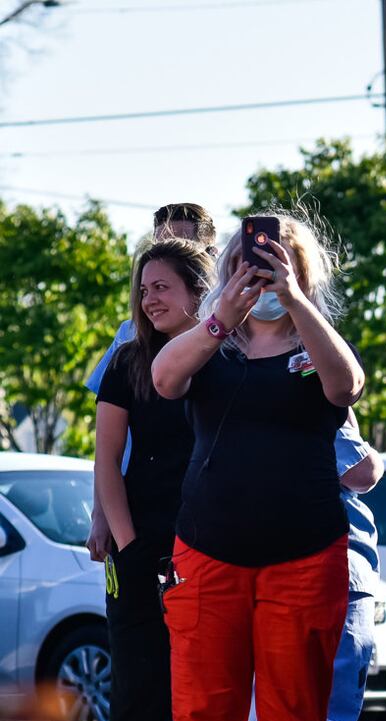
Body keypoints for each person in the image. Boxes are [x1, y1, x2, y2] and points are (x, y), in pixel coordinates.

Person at [152, 214, 365, 721]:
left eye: (277, 262)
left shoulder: (315, 345)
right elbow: (163, 378)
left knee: (295, 719)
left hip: (305, 555)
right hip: (210, 554)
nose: (263, 273)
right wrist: (223, 315)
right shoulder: (211, 342)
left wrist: (296, 303)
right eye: (250, 261)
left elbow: (348, 387)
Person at [90, 239, 211, 721]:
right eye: (144, 288)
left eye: (162, 286)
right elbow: (107, 461)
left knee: (198, 709)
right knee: (137, 700)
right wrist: (129, 546)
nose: (149, 298)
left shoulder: (226, 359)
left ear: (198, 291)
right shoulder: (128, 361)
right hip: (138, 555)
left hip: (209, 551)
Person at [239, 416, 386, 721]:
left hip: (289, 560)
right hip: (335, 560)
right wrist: (371, 451)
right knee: (326, 711)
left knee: (280, 713)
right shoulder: (314, 377)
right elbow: (360, 471)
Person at [87, 203, 217, 563]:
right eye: (145, 289)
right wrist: (113, 529)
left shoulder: (237, 350)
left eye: (182, 246)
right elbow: (108, 450)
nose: (165, 253)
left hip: (209, 540)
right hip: (139, 524)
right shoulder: (129, 347)